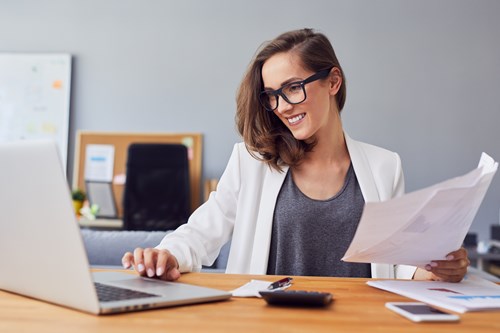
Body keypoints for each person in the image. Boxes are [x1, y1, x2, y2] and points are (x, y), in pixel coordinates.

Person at [122, 28, 469, 283]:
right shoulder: (251, 161)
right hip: (268, 320)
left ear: (333, 82)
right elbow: (200, 233)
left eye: (292, 88)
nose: (282, 107)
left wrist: (438, 267)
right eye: (272, 95)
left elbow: (397, 263)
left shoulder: (384, 166)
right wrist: (167, 254)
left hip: (359, 320)